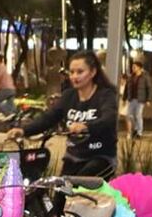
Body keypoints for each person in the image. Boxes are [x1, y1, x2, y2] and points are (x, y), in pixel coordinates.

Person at [7, 49, 119, 183]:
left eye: (80, 72)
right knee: (59, 190)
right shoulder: (68, 96)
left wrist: (86, 126)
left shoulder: (105, 95)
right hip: (74, 157)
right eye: (72, 72)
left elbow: (109, 119)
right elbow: (48, 118)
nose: (75, 76)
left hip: (100, 157)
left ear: (93, 72)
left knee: (79, 185)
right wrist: (23, 130)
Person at [122, 59, 152, 140]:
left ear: (139, 68)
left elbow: (149, 88)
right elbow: (126, 88)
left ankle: (139, 132)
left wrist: (149, 99)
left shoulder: (145, 77)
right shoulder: (130, 77)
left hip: (140, 99)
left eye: (134, 67)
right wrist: (124, 98)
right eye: (133, 67)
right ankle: (136, 128)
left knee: (138, 115)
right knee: (129, 115)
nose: (133, 68)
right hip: (131, 99)